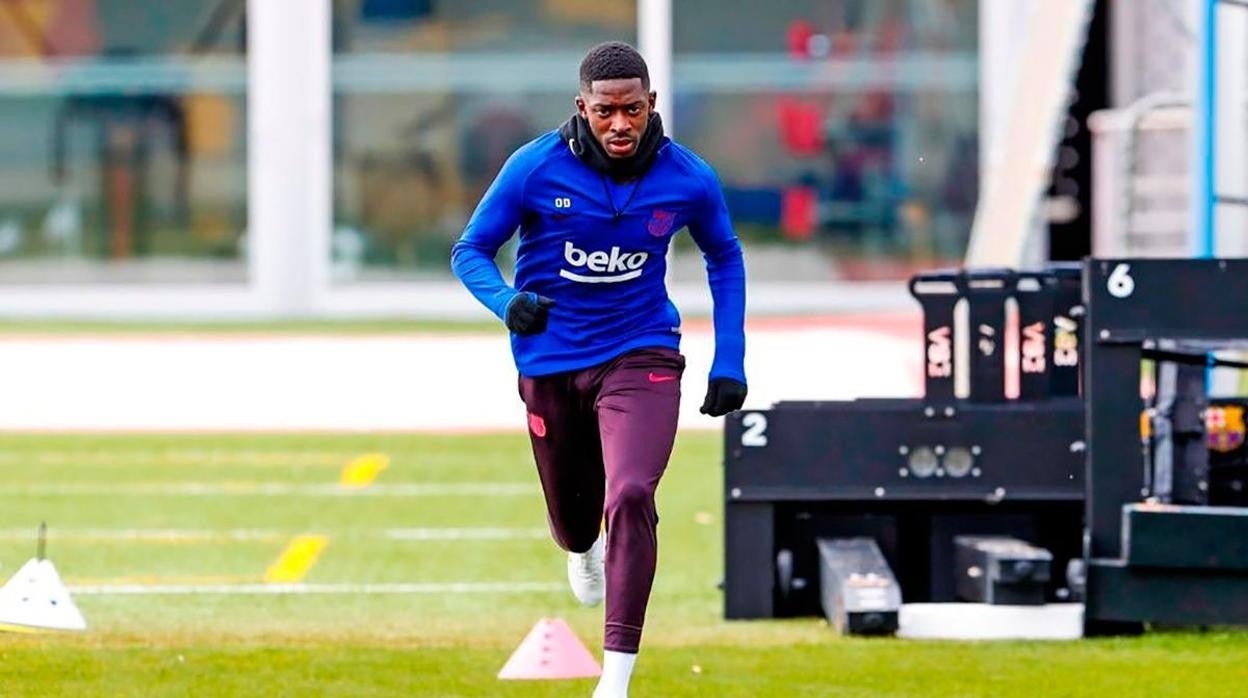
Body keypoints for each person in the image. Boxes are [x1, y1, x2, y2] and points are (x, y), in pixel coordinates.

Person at [450, 41, 747, 698]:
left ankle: (615, 679)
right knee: (575, 518)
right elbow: (469, 250)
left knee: (632, 492)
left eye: (633, 110)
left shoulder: (688, 177)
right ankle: (581, 547)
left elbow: (725, 257)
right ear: (583, 107)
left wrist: (730, 358)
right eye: (606, 111)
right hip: (551, 360)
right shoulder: (533, 168)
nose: (620, 125)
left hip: (642, 352)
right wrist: (507, 302)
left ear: (651, 106)